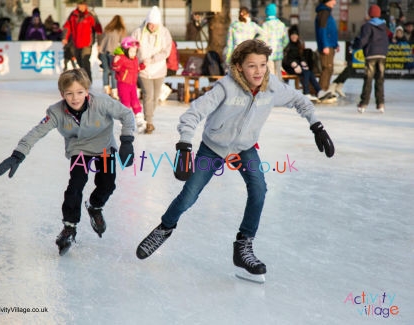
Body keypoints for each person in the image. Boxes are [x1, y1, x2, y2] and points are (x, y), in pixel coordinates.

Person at [135, 39, 335, 282]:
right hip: (213, 147)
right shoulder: (225, 87)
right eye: (252, 66)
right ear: (239, 66)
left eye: (263, 65)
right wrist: (185, 145)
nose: (259, 71)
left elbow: (299, 100)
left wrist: (316, 125)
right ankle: (165, 228)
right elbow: (193, 113)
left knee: (259, 190)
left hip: (244, 148)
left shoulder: (271, 87)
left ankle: (244, 246)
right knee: (189, 195)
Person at [0, 69, 136, 255]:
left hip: (104, 147)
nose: (75, 98)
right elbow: (37, 132)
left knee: (107, 184)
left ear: (87, 91)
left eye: (79, 92)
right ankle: (69, 227)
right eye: (69, 93)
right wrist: (18, 154)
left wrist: (127, 140)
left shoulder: (102, 102)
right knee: (75, 185)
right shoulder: (56, 112)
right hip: (79, 149)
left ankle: (94, 206)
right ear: (62, 94)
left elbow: (127, 114)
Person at [131, 6, 172, 134]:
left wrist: (154, 58)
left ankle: (148, 117)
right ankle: (149, 122)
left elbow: (166, 50)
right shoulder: (138, 32)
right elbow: (130, 46)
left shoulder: (164, 32)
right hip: (143, 70)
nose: (152, 27)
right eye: (150, 24)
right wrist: (136, 58)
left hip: (159, 69)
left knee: (155, 97)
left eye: (154, 24)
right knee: (148, 95)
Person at [282, 25, 331, 102]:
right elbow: (285, 59)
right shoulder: (287, 45)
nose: (294, 37)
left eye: (295, 35)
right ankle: (306, 93)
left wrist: (303, 62)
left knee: (309, 72)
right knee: (305, 72)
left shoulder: (299, 44)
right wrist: (293, 64)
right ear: (290, 36)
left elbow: (300, 56)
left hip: (298, 66)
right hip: (289, 67)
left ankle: (319, 91)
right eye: (292, 35)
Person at [356, 5, 389, 114]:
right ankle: (380, 103)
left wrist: (357, 46)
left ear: (370, 14)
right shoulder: (384, 26)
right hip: (382, 55)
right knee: (380, 79)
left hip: (371, 54)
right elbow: (386, 40)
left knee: (368, 79)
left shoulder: (367, 26)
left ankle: (364, 103)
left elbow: (364, 39)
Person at [112, 36, 147, 133]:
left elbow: (136, 69)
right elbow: (116, 68)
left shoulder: (134, 59)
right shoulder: (121, 58)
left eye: (135, 51)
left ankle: (139, 120)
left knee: (135, 102)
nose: (133, 53)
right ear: (126, 50)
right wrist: (115, 62)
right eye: (131, 51)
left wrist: (142, 65)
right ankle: (126, 121)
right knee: (126, 102)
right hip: (123, 84)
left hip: (132, 85)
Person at [62, 0, 102, 82]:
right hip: (76, 43)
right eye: (78, 4)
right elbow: (67, 26)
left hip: (87, 43)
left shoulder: (90, 15)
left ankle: (88, 80)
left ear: (85, 5)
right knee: (79, 61)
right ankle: (83, 78)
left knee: (85, 60)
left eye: (81, 4)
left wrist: (99, 43)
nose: (79, 6)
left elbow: (98, 29)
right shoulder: (73, 14)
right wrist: (64, 37)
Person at [98, 15, 127, 98]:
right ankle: (114, 90)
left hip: (103, 51)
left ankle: (106, 88)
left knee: (106, 71)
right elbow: (123, 43)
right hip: (114, 53)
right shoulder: (120, 30)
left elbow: (102, 40)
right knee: (114, 71)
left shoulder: (108, 29)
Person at [315, 0, 339, 93]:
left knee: (330, 68)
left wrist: (335, 44)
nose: (335, 2)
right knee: (326, 68)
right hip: (326, 46)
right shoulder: (323, 13)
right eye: (333, 0)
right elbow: (322, 30)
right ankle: (322, 91)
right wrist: (325, 45)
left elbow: (330, 30)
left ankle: (325, 89)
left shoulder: (327, 12)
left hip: (330, 45)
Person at [260, 3, 289, 81]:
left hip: (268, 53)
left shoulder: (265, 25)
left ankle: (272, 90)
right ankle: (279, 90)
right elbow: (286, 40)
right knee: (278, 72)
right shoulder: (281, 24)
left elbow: (262, 40)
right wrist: (281, 47)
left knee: (270, 72)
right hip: (279, 52)